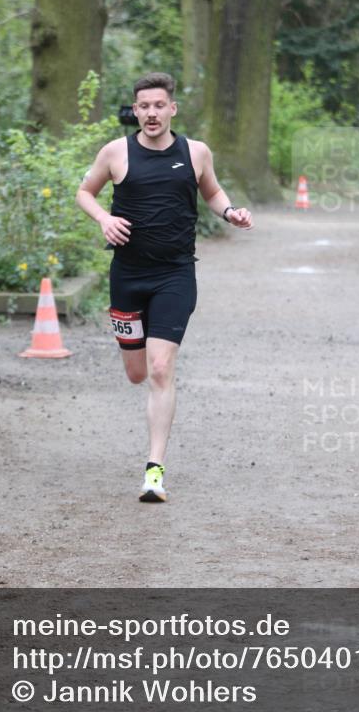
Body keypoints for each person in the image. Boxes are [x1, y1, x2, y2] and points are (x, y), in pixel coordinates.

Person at [76, 72, 253, 502]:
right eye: (144, 106)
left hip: (175, 275)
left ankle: (154, 471)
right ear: (135, 111)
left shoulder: (195, 153)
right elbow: (84, 192)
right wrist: (104, 218)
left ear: (172, 108)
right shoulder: (116, 153)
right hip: (127, 277)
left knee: (159, 369)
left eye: (159, 105)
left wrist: (229, 212)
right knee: (136, 373)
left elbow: (211, 192)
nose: (151, 113)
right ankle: (152, 452)